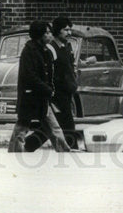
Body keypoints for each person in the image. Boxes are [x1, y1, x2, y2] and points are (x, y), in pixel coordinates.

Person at [7, 21, 70, 153]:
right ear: (39, 34)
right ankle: (14, 153)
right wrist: (47, 89)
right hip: (30, 96)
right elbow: (29, 75)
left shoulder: (46, 51)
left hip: (42, 98)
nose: (50, 35)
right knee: (22, 127)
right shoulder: (28, 51)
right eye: (46, 32)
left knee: (54, 127)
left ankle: (64, 151)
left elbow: (48, 74)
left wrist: (50, 88)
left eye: (49, 32)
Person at [50, 15, 78, 149]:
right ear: (57, 30)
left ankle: (28, 146)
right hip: (57, 93)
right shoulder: (51, 48)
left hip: (67, 91)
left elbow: (70, 67)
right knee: (65, 123)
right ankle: (72, 148)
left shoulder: (67, 47)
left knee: (56, 125)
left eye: (70, 29)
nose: (69, 33)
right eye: (66, 30)